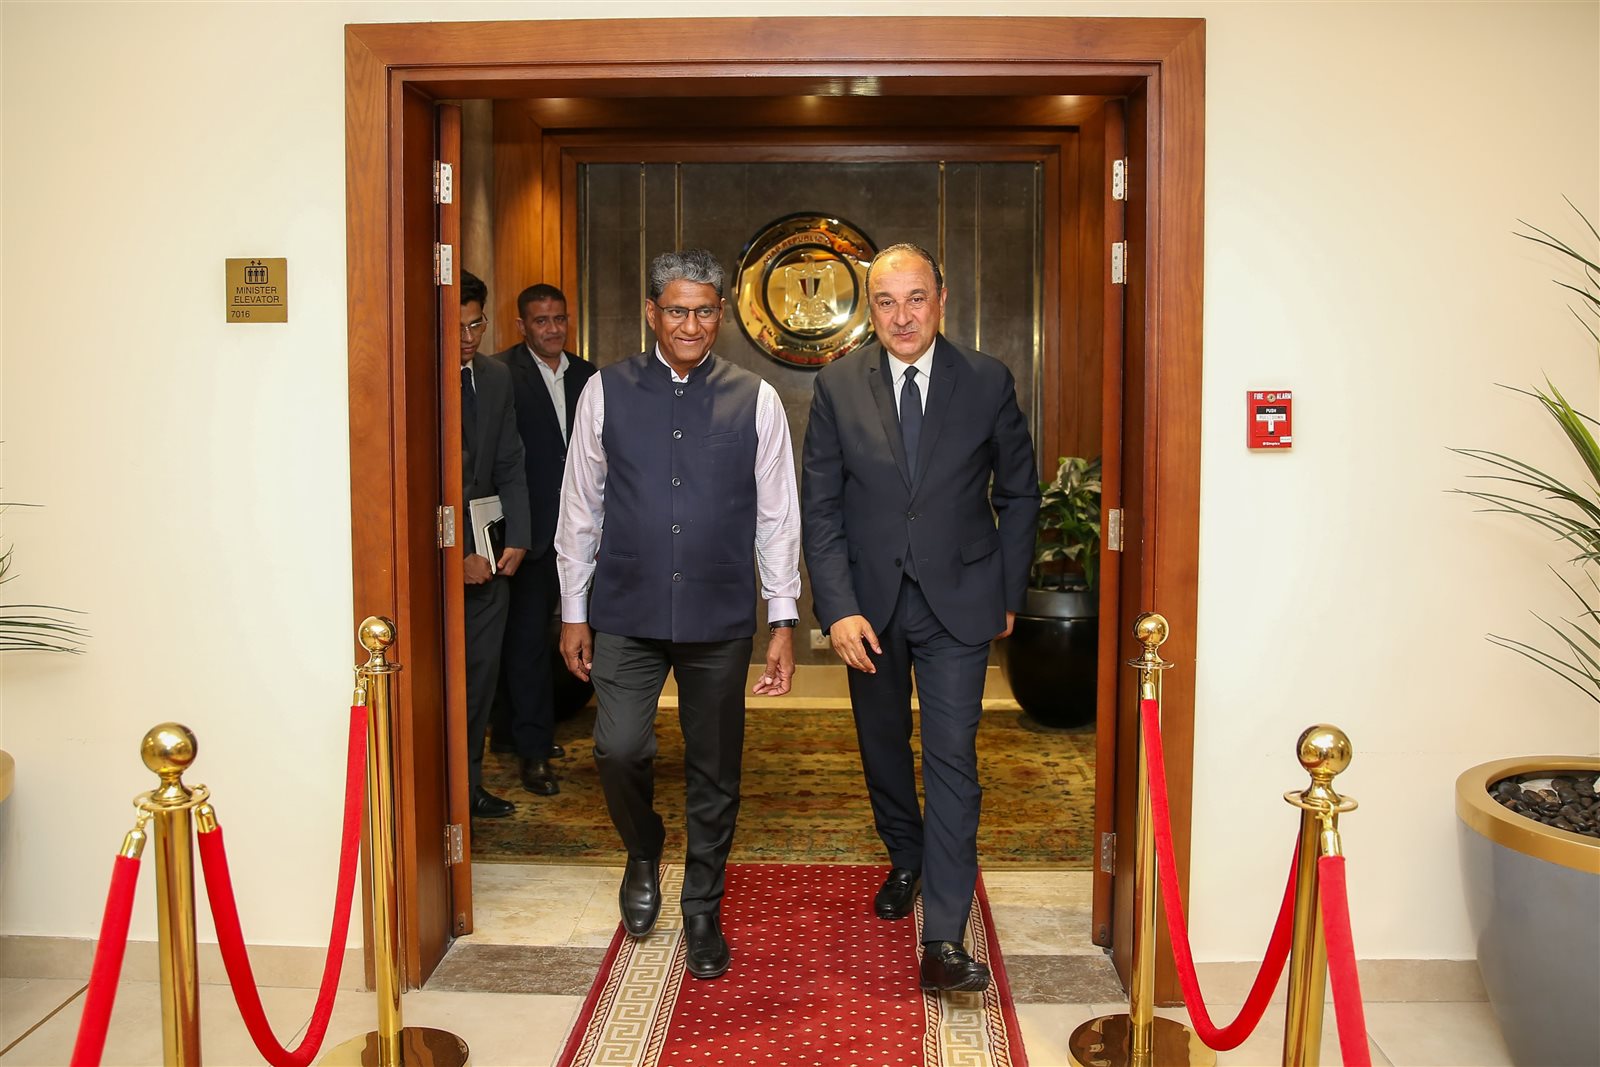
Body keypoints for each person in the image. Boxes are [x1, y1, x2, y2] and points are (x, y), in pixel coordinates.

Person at [555, 249, 800, 980]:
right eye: (676, 311)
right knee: (617, 749)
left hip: (717, 613)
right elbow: (581, 504)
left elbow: (777, 516)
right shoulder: (604, 390)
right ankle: (642, 849)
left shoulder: (757, 398)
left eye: (703, 312)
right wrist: (574, 610)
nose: (690, 325)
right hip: (625, 608)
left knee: (714, 765)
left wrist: (782, 618)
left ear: (720, 315)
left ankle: (702, 906)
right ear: (652, 313)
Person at [801, 242, 1039, 992]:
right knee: (882, 747)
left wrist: (1007, 592)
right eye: (885, 301)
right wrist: (837, 608)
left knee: (952, 758)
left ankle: (943, 936)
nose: (902, 316)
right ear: (869, 310)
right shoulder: (838, 385)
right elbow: (821, 506)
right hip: (868, 608)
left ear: (941, 299)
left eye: (915, 298)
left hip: (959, 603)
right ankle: (905, 854)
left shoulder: (987, 380)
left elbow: (1020, 493)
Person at [490, 284, 598, 797]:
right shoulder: (501, 373)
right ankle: (532, 752)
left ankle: (524, 731)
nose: (553, 329)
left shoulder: (589, 375)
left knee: (591, 634)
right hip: (529, 533)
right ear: (521, 326)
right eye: (541, 321)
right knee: (528, 644)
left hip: (585, 532)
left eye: (559, 319)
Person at [457, 271, 532, 819]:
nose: (468, 338)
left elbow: (510, 460)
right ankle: (438, 795)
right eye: (457, 327)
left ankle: (468, 786)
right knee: (441, 686)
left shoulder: (495, 376)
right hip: (441, 560)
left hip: (491, 552)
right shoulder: (413, 374)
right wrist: (453, 554)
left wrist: (520, 537)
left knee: (480, 678)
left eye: (476, 324)